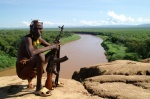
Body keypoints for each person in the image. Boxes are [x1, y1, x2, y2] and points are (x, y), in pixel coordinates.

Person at [16, 20, 60, 96]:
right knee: (41, 55)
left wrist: (56, 45)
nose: (38, 31)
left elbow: (51, 47)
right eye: (36, 29)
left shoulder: (38, 39)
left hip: (31, 68)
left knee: (53, 53)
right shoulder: (27, 39)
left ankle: (50, 79)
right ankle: (38, 88)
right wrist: (51, 46)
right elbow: (32, 52)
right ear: (31, 29)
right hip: (22, 71)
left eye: (40, 29)